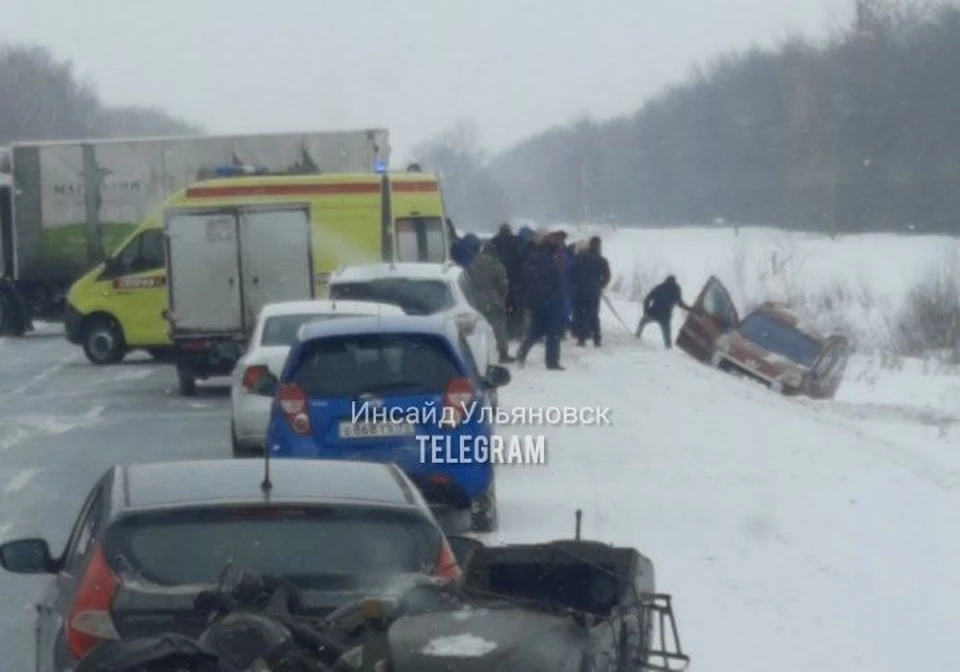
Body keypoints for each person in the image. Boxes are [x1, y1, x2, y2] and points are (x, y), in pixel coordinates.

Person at [516, 232, 565, 370]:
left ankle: (522, 353)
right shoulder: (548, 259)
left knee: (536, 331)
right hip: (548, 300)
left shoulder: (535, 256)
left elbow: (527, 277)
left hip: (537, 300)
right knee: (552, 332)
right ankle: (552, 362)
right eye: (558, 243)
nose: (561, 245)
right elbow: (553, 280)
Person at [467, 242, 514, 363]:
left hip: (475, 301)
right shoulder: (497, 265)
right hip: (493, 301)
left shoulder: (472, 264)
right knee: (499, 329)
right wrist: (502, 297)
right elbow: (503, 287)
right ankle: (502, 354)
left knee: (478, 329)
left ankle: (479, 354)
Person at [570, 236, 611, 347]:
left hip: (581, 291)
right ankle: (597, 339)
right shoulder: (602, 260)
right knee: (594, 315)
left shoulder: (580, 258)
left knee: (581, 315)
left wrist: (574, 286)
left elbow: (572, 274)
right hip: (594, 292)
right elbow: (607, 276)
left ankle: (582, 339)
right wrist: (600, 285)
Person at [635, 275, 691, 348]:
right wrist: (689, 309)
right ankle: (668, 348)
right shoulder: (676, 289)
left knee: (642, 323)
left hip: (653, 313)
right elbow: (680, 303)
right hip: (665, 317)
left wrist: (646, 311)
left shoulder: (660, 287)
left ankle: (636, 337)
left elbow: (647, 299)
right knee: (667, 338)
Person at [490, 222, 523, 340]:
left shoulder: (494, 241)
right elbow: (520, 260)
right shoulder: (516, 241)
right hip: (513, 279)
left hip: (498, 280)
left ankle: (502, 332)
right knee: (514, 308)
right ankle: (513, 332)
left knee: (500, 308)